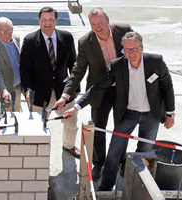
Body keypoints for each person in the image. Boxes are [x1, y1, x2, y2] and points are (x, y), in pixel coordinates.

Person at [63, 31, 175, 191]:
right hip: (128, 114)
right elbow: (98, 87)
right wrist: (76, 107)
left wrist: (170, 114)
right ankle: (106, 186)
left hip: (152, 114)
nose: (131, 53)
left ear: (142, 47)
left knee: (143, 152)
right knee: (114, 151)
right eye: (127, 49)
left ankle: (136, 186)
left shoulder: (155, 62)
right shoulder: (117, 66)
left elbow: (168, 86)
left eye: (134, 48)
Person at [55, 7, 133, 180]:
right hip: (99, 90)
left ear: (107, 20)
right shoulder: (85, 42)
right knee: (99, 129)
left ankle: (122, 161)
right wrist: (66, 95)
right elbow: (78, 70)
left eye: (100, 23)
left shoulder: (124, 30)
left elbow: (136, 52)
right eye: (93, 24)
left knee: (122, 129)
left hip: (123, 89)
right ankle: (99, 164)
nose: (97, 27)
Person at [20, 6, 80, 158]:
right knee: (37, 125)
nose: (48, 23)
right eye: (44, 20)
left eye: (51, 19)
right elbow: (25, 70)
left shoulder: (66, 37)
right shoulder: (30, 41)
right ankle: (37, 148)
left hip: (64, 91)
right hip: (39, 93)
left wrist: (76, 88)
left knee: (70, 123)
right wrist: (27, 89)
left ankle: (69, 146)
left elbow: (74, 64)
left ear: (56, 21)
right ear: (39, 21)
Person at [0, 17, 22, 111]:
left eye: (9, 30)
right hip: (4, 91)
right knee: (2, 122)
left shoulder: (16, 38)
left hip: (18, 88)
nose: (7, 34)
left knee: (17, 117)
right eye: (2, 31)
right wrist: (4, 90)